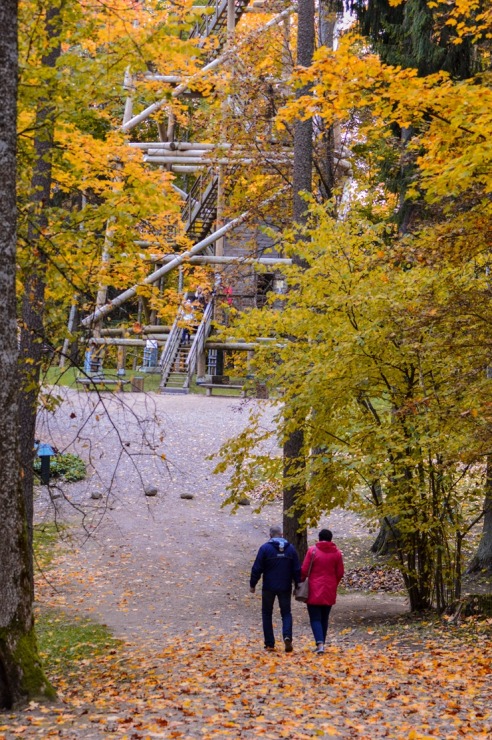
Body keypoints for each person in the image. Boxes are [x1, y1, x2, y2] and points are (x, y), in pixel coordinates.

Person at [250, 525, 301, 652]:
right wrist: (297, 585)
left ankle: (269, 643)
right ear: (282, 534)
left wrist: (253, 584)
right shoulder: (291, 549)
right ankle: (287, 636)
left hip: (269, 587)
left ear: (270, 535)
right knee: (286, 613)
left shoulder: (265, 549)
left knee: (267, 613)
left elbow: (257, 568)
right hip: (285, 586)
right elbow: (296, 569)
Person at [300, 528, 344, 654]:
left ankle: (320, 644)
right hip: (329, 589)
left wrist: (301, 581)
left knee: (315, 618)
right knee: (324, 618)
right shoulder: (337, 553)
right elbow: (340, 572)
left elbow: (304, 570)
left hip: (314, 588)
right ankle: (322, 644)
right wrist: (334, 583)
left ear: (319, 538)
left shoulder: (312, 551)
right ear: (331, 539)